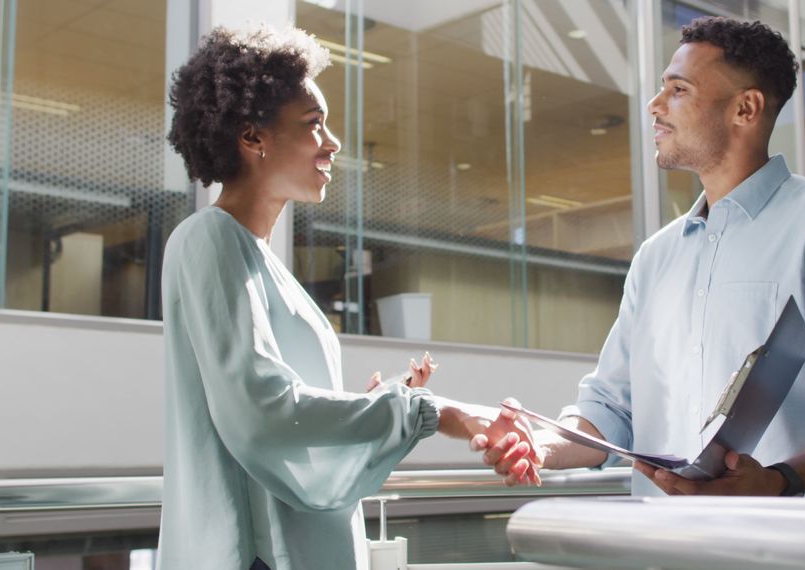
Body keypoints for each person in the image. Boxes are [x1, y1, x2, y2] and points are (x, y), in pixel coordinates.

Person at [474, 16, 805, 498]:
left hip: (797, 550)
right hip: (669, 547)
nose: (654, 105)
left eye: (678, 89)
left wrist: (781, 481)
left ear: (745, 109)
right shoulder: (656, 257)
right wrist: (540, 446)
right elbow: (611, 408)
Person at [158, 26, 536, 570]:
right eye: (313, 126)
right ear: (251, 136)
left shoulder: (258, 259)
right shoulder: (209, 240)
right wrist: (428, 411)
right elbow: (264, 414)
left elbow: (286, 411)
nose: (332, 142)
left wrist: (379, 403)